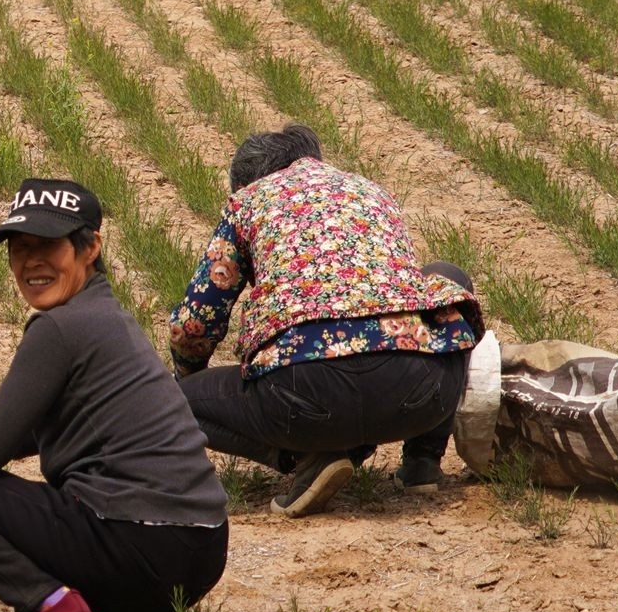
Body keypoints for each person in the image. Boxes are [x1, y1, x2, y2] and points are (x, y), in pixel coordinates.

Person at [0, 179, 229, 612]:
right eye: (19, 248)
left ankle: (50, 607)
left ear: (90, 247)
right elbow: (43, 431)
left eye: (47, 245)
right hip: (201, 552)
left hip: (140, 546)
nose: (31, 261)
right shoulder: (109, 317)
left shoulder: (58, 327)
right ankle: (121, 608)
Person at [169, 125, 484, 518]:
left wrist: (189, 379)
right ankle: (423, 462)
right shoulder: (372, 192)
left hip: (304, 401)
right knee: (447, 277)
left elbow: (194, 323)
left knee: (170, 401)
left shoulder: (248, 202)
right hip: (419, 395)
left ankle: (310, 456)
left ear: (245, 181)